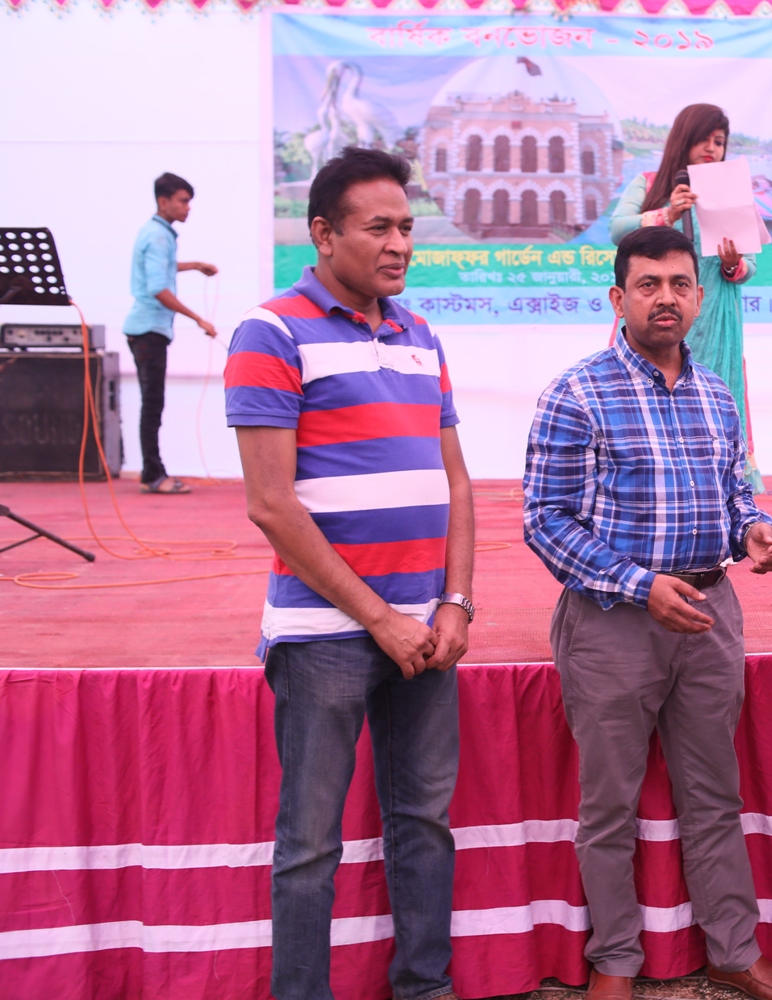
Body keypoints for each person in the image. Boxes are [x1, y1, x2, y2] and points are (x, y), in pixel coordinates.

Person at [523, 225, 772, 1000]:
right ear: (620, 298)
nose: (665, 298)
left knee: (714, 794)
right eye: (648, 285)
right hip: (613, 621)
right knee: (608, 805)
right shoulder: (577, 393)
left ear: (699, 296)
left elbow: (734, 495)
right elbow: (546, 520)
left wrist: (754, 531)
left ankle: (733, 949)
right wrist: (639, 584)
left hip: (709, 614)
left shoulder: (715, 394)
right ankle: (614, 959)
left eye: (679, 284)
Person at [225, 147, 473, 1000]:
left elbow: (456, 481)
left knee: (424, 823)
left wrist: (454, 603)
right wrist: (380, 617)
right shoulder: (271, 331)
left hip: (427, 630)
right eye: (379, 228)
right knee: (310, 844)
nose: (400, 244)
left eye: (407, 227)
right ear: (324, 234)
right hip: (326, 635)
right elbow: (271, 505)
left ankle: (425, 987)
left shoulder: (421, 334)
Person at [609, 103, 764, 492]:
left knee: (715, 396)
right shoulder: (650, 183)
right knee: (646, 394)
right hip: (659, 307)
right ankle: (646, 482)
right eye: (704, 139)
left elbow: (749, 265)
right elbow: (618, 230)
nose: (712, 148)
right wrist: (667, 214)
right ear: (684, 138)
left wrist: (732, 264)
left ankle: (722, 493)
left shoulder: (730, 193)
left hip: (715, 311)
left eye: (720, 141)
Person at [123, 172, 219, 494]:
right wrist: (198, 319)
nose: (188, 207)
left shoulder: (156, 232)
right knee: (152, 406)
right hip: (148, 329)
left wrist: (194, 265)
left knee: (152, 404)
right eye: (183, 201)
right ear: (163, 201)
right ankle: (153, 475)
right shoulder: (159, 236)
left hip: (147, 330)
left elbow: (162, 267)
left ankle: (151, 472)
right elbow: (158, 288)